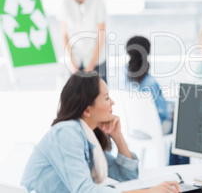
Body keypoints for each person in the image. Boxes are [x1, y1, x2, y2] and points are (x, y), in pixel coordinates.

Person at [21, 72, 180, 193]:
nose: (112, 102)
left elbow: (127, 176)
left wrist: (117, 136)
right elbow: (85, 190)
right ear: (87, 110)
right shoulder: (66, 133)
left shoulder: (87, 135)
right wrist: (148, 192)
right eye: (106, 98)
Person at [122, 36, 189, 166]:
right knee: (182, 126)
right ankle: (178, 167)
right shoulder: (150, 82)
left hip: (135, 130)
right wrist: (175, 113)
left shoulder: (125, 77)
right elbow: (164, 112)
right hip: (153, 130)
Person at [59, 0, 107, 82]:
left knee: (100, 95)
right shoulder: (65, 4)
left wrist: (92, 64)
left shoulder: (97, 3)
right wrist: (71, 61)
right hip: (75, 60)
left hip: (96, 59)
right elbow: (64, 35)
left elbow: (101, 36)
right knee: (74, 97)